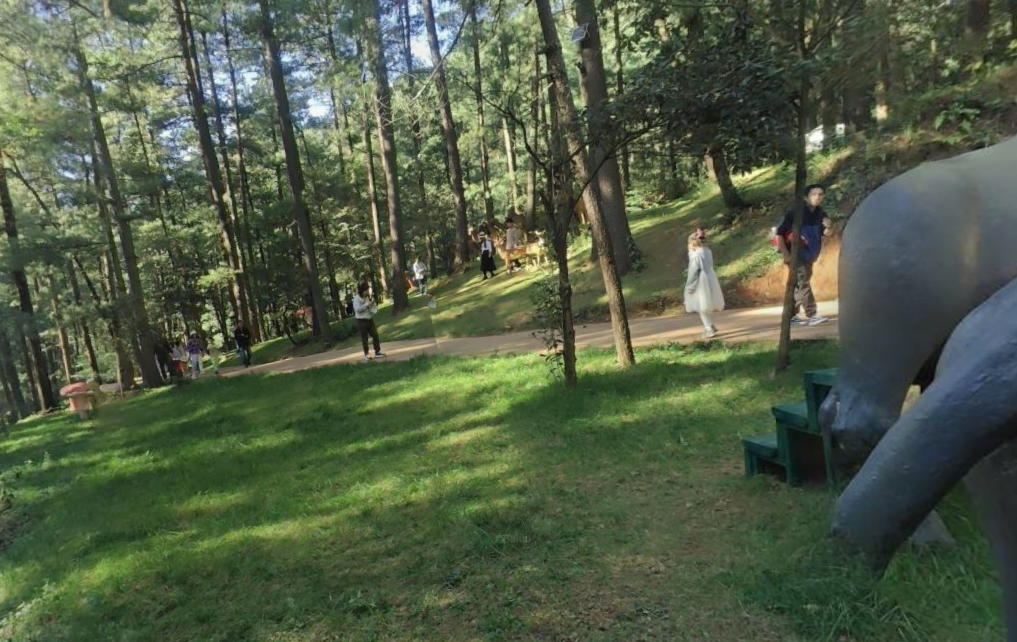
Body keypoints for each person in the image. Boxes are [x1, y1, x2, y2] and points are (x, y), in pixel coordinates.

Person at [775, 184, 832, 326]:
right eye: (814, 194)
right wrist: (786, 255)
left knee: (798, 285)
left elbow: (826, 233)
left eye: (820, 194)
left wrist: (829, 227)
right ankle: (812, 314)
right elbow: (779, 234)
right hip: (795, 255)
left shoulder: (821, 214)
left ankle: (791, 316)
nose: (817, 197)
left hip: (810, 255)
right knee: (804, 283)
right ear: (806, 197)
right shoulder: (795, 213)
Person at [684, 228, 724, 338]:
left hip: (701, 280)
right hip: (710, 276)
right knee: (705, 304)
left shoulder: (696, 255)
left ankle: (709, 328)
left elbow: (694, 271)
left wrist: (690, 285)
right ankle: (711, 325)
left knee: (701, 305)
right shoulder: (707, 251)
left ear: (693, 242)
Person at [352, 282, 386, 362]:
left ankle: (377, 352)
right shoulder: (356, 299)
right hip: (361, 320)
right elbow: (357, 310)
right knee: (365, 338)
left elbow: (370, 307)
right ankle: (366, 354)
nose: (367, 292)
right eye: (366, 290)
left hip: (369, 319)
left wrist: (372, 304)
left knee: (375, 335)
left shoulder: (367, 297)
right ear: (363, 291)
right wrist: (366, 305)